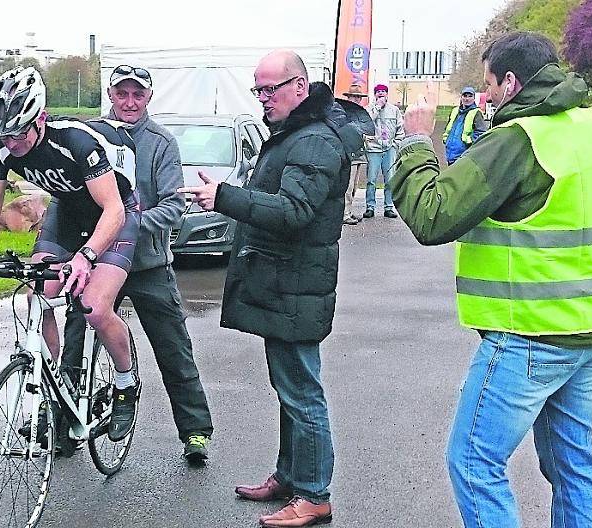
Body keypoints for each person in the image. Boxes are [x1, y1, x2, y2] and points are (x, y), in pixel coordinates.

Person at [391, 32, 592, 527]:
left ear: (511, 83)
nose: (485, 96)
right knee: (573, 464)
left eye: (490, 85)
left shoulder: (518, 141)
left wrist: (413, 145)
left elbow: (433, 215)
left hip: (530, 336)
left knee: (474, 463)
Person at [179, 49, 364, 527]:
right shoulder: (295, 134)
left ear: (299, 88)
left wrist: (224, 197)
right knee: (289, 388)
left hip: (296, 286)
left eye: (270, 89)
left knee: (303, 393)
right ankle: (289, 476)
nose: (262, 99)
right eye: (257, 89)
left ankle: (314, 494)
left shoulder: (314, 142)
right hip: (285, 285)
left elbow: (292, 212)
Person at [0, 66, 142, 442]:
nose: (11, 143)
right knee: (38, 298)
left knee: (94, 306)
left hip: (114, 214)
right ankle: (53, 385)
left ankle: (125, 382)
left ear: (42, 119)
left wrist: (84, 258)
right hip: (65, 213)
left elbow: (113, 210)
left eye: (19, 133)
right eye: (2, 134)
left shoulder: (77, 143)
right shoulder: (0, 145)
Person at [58, 65, 215, 462]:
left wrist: (127, 225)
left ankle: (195, 430)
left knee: (172, 345)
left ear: (148, 98)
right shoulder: (89, 137)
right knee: (76, 334)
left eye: (137, 95)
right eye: (122, 94)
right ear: (110, 94)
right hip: (99, 261)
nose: (129, 102)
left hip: (146, 263)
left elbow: (174, 205)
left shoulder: (161, 143)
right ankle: (62, 421)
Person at [363, 84, 404, 219]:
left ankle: (389, 207)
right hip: (373, 149)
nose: (381, 94)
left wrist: (395, 145)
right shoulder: (368, 109)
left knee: (390, 180)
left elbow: (400, 129)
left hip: (389, 149)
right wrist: (377, 107)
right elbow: (366, 123)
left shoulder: (395, 110)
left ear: (387, 94)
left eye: (383, 92)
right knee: (371, 180)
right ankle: (370, 207)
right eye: (378, 92)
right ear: (375, 95)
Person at [341, 83, 370, 225]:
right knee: (348, 185)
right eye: (355, 97)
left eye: (359, 97)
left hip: (359, 153)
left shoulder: (361, 113)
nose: (357, 99)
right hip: (349, 154)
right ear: (349, 97)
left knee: (355, 186)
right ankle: (344, 214)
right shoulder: (343, 112)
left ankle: (349, 211)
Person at [442, 86, 487, 165]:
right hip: (450, 153)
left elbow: (481, 132)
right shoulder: (455, 111)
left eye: (470, 96)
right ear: (461, 97)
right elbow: (448, 128)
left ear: (474, 98)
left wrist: (469, 141)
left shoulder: (476, 112)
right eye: (465, 96)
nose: (467, 98)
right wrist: (446, 139)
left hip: (464, 154)